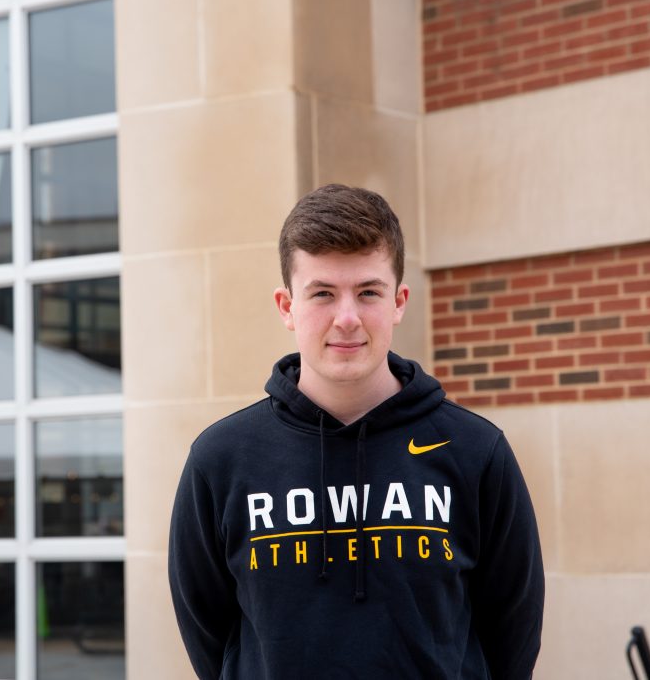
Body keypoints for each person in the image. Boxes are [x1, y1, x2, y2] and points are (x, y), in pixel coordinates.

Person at [168, 184, 544, 679]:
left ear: (399, 301)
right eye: (322, 293)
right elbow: (210, 636)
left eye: (368, 292)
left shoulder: (476, 451)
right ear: (286, 306)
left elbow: (511, 634)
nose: (347, 319)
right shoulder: (221, 459)